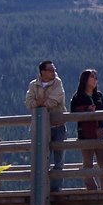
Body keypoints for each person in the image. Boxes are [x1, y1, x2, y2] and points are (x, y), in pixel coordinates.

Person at [25, 59, 67, 192]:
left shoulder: (58, 83)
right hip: (40, 127)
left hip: (58, 125)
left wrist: (39, 102)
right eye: (51, 70)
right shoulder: (33, 84)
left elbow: (54, 101)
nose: (54, 72)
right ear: (43, 72)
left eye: (54, 69)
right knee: (40, 159)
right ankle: (41, 188)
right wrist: (44, 102)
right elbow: (28, 103)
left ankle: (55, 188)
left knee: (58, 160)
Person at [70, 69, 103, 191]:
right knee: (87, 164)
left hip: (100, 131)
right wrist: (86, 109)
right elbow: (72, 113)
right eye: (92, 77)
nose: (95, 80)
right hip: (85, 132)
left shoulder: (99, 96)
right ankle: (92, 189)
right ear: (85, 79)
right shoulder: (77, 97)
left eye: (96, 77)